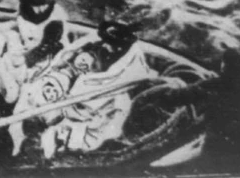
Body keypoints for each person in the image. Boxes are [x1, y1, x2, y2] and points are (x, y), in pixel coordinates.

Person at [36, 20, 157, 159]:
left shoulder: (126, 65)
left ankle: (69, 147)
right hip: (70, 102)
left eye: (112, 44)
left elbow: (119, 82)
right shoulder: (96, 48)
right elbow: (71, 59)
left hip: (95, 112)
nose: (105, 45)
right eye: (106, 41)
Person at [150, 49, 240, 165]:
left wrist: (159, 93)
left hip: (217, 143)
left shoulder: (213, 84)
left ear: (224, 66)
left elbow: (176, 98)